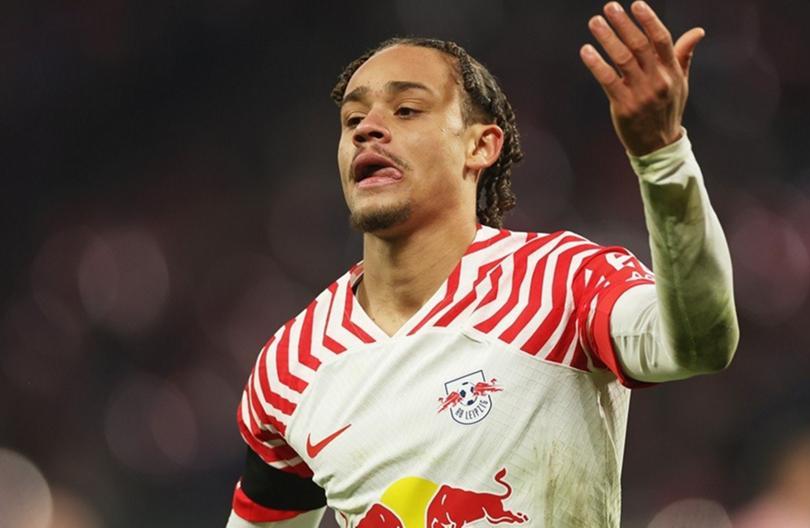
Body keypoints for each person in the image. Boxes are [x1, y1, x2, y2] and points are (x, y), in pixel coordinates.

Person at [226, 1, 739, 526]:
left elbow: (702, 342)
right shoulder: (292, 365)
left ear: (480, 146)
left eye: (406, 110)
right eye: (353, 119)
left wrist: (662, 158)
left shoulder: (561, 282)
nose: (367, 129)